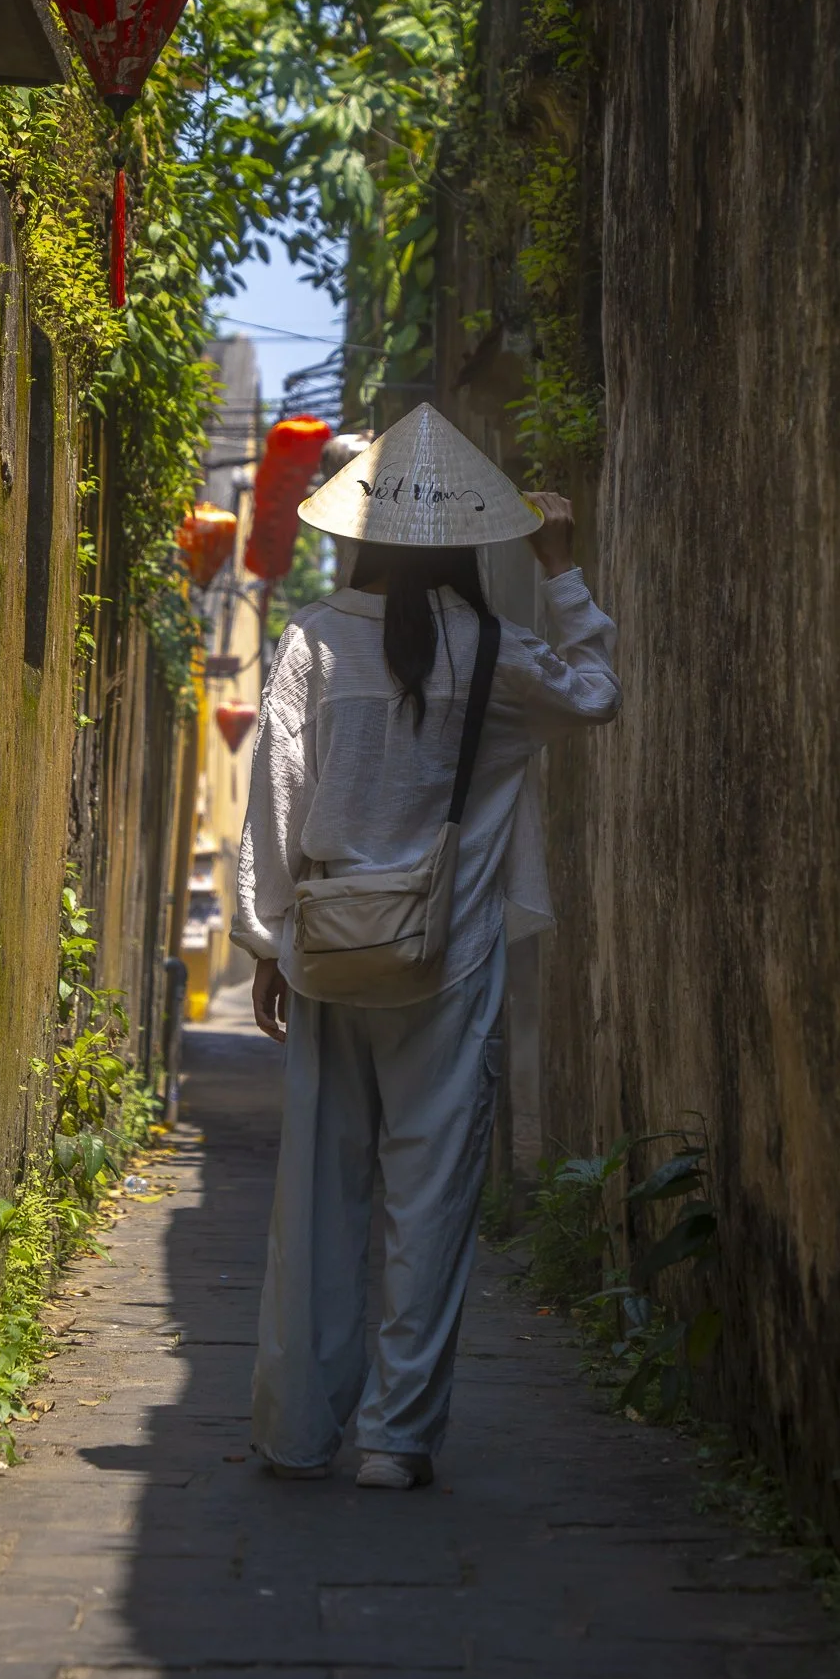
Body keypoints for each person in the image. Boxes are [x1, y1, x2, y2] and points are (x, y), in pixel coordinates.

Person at [231, 402, 620, 1490]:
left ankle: (299, 1430)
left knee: (318, 1198)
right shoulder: (492, 649)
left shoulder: (309, 639)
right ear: (462, 538)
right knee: (429, 1192)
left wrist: (266, 942)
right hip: (445, 959)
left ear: (353, 533)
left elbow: (275, 799)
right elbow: (597, 695)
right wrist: (560, 568)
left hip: (328, 953)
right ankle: (395, 1440)